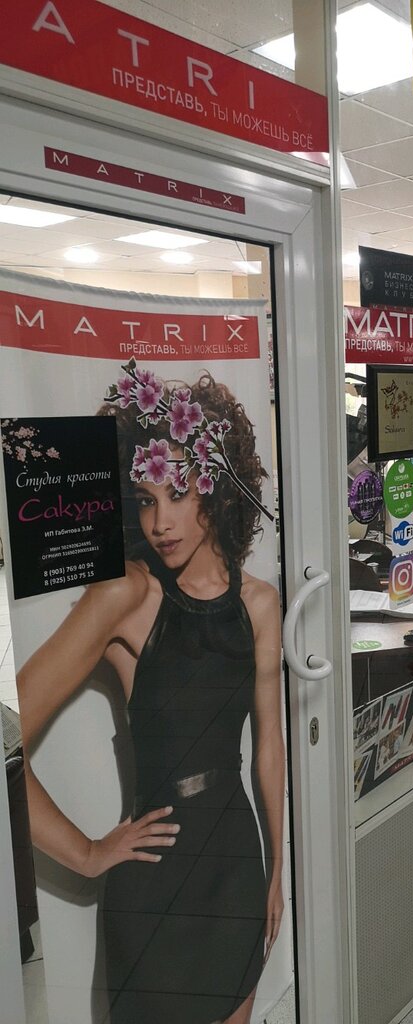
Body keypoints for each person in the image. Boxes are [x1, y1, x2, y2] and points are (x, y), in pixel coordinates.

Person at [17, 371, 283, 1024]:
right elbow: (5, 733)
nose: (160, 521)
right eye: (144, 499)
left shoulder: (260, 604)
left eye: (177, 492)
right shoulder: (126, 596)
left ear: (216, 488)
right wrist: (86, 853)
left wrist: (279, 868)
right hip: (155, 884)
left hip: (235, 867)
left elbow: (269, 749)